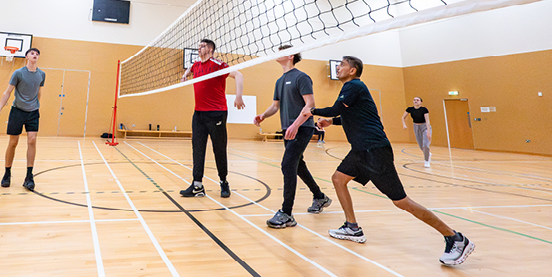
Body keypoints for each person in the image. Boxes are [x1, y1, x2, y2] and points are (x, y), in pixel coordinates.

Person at [302, 56, 474, 266]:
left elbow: (336, 109)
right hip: (361, 151)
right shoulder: (350, 89)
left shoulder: (354, 86)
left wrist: (310, 111)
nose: (338, 67)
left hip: (375, 150)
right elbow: (349, 115)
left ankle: (455, 237)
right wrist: (331, 121)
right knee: (338, 179)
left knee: (401, 201)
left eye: (342, 65)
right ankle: (352, 227)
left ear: (353, 70)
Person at [253, 45, 331, 228]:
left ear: (290, 55)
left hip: (302, 128)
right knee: (298, 165)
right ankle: (319, 197)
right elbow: (275, 106)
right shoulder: (280, 81)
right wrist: (263, 115)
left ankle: (286, 213)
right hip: (288, 129)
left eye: (280, 51)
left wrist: (296, 125)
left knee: (287, 165)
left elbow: (310, 105)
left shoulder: (301, 77)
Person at [179, 39, 244, 199]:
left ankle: (223, 182)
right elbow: (191, 68)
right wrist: (184, 76)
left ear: (210, 50)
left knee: (219, 149)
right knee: (198, 149)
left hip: (217, 113)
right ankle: (197, 186)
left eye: (202, 46)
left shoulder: (217, 64)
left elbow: (238, 75)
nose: (199, 48)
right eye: (199, 45)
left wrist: (238, 96)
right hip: (199, 114)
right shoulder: (196, 64)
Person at [0, 48, 45, 190]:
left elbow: (39, 92)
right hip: (17, 111)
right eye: (32, 53)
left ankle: (29, 176)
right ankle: (7, 173)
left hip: (33, 112)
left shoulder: (41, 74)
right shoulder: (18, 73)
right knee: (13, 142)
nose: (35, 55)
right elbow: (7, 92)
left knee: (32, 140)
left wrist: (37, 106)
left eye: (37, 54)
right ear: (27, 56)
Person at [402, 96, 432, 167]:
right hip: (416, 126)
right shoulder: (410, 109)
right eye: (414, 100)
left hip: (424, 126)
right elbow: (403, 117)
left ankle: (426, 161)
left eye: (417, 100)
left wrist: (428, 131)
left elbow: (427, 121)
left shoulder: (424, 109)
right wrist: (404, 124)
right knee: (421, 145)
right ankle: (428, 154)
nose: (415, 101)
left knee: (425, 144)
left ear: (421, 102)